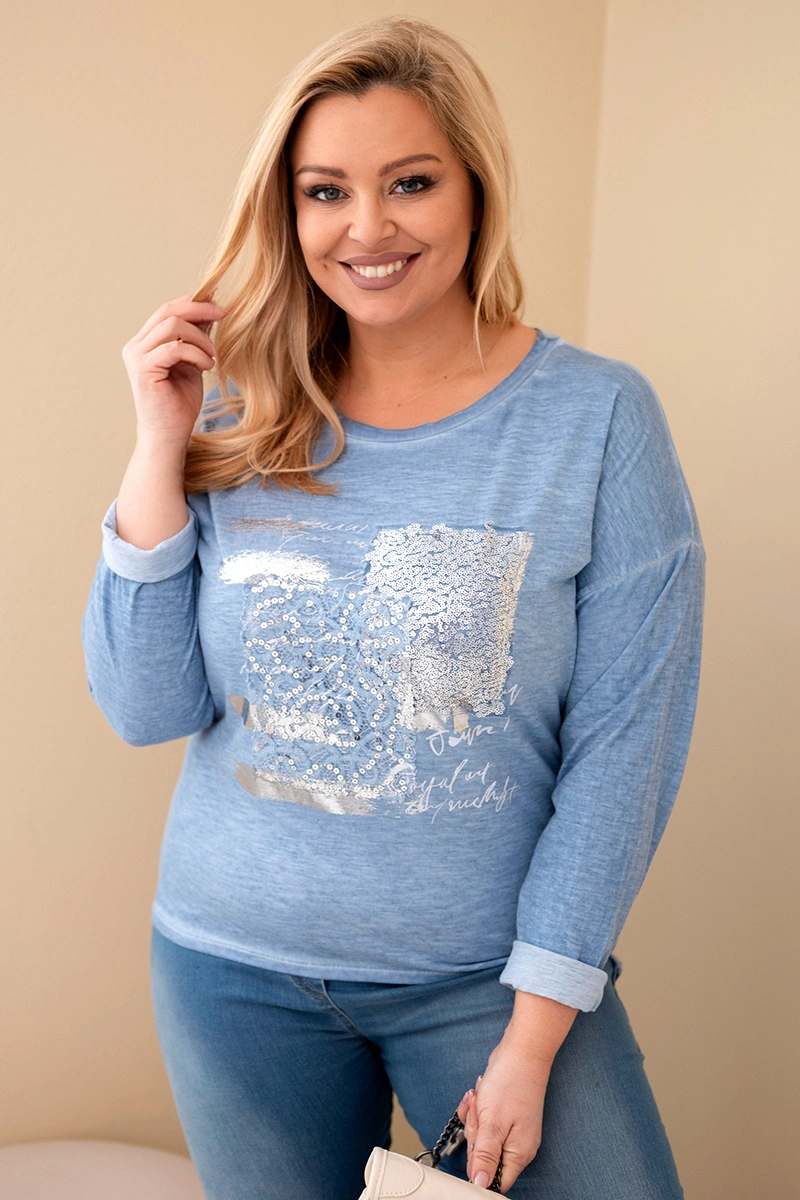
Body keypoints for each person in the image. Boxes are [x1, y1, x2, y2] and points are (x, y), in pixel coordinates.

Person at [82, 16, 704, 1200]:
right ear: (288, 212)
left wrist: (530, 1039)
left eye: (409, 182)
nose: (365, 228)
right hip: (231, 971)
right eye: (325, 192)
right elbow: (143, 706)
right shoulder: (235, 411)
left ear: (475, 190)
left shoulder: (595, 420)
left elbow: (624, 752)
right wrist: (158, 447)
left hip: (488, 980)